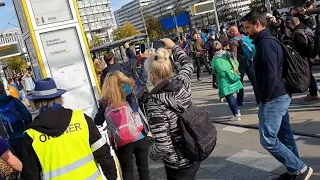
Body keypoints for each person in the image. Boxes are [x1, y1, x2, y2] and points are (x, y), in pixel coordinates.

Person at [242, 11, 313, 180]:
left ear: (258, 24)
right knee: (285, 135)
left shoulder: (265, 45)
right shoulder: (268, 40)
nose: (246, 31)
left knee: (268, 139)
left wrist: (266, 99)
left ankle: (300, 168)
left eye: (248, 27)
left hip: (274, 97)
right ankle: (294, 171)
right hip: (280, 94)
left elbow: (270, 75)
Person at [22, 78, 117, 180]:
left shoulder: (31, 135)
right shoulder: (81, 119)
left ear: (36, 103)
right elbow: (103, 153)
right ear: (60, 98)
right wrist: (112, 176)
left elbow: (30, 174)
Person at [145, 38, 200, 180]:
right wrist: (174, 46)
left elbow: (163, 146)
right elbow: (187, 64)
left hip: (178, 163)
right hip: (195, 150)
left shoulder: (155, 103)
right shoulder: (182, 83)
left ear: (151, 75)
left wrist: (151, 152)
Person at [95, 50, 149, 180]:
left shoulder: (106, 101)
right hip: (139, 133)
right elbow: (142, 80)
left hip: (121, 139)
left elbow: (98, 120)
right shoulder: (131, 91)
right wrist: (145, 61)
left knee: (127, 171)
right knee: (144, 170)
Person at [228, 26, 260, 106]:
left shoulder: (233, 41)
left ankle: (239, 102)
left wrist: (233, 67)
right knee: (254, 81)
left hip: (240, 63)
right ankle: (259, 99)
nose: (228, 34)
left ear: (232, 32)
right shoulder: (245, 37)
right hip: (249, 61)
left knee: (240, 83)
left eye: (229, 32)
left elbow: (234, 56)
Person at [212, 41, 243, 121]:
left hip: (223, 79)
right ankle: (237, 110)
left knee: (229, 96)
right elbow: (236, 63)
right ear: (221, 46)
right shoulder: (228, 54)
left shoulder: (214, 59)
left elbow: (214, 70)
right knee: (233, 94)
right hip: (232, 75)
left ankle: (236, 114)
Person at [0, 81, 31, 159]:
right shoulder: (13, 100)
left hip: (4, 141)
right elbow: (27, 116)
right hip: (20, 135)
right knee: (27, 161)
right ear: (3, 88)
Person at [290, 17, 318, 101]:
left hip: (305, 57)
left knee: (308, 75)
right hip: (311, 54)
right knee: (309, 74)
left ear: (292, 24)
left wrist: (300, 56)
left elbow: (302, 46)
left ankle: (313, 93)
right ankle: (314, 91)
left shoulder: (297, 32)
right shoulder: (306, 28)